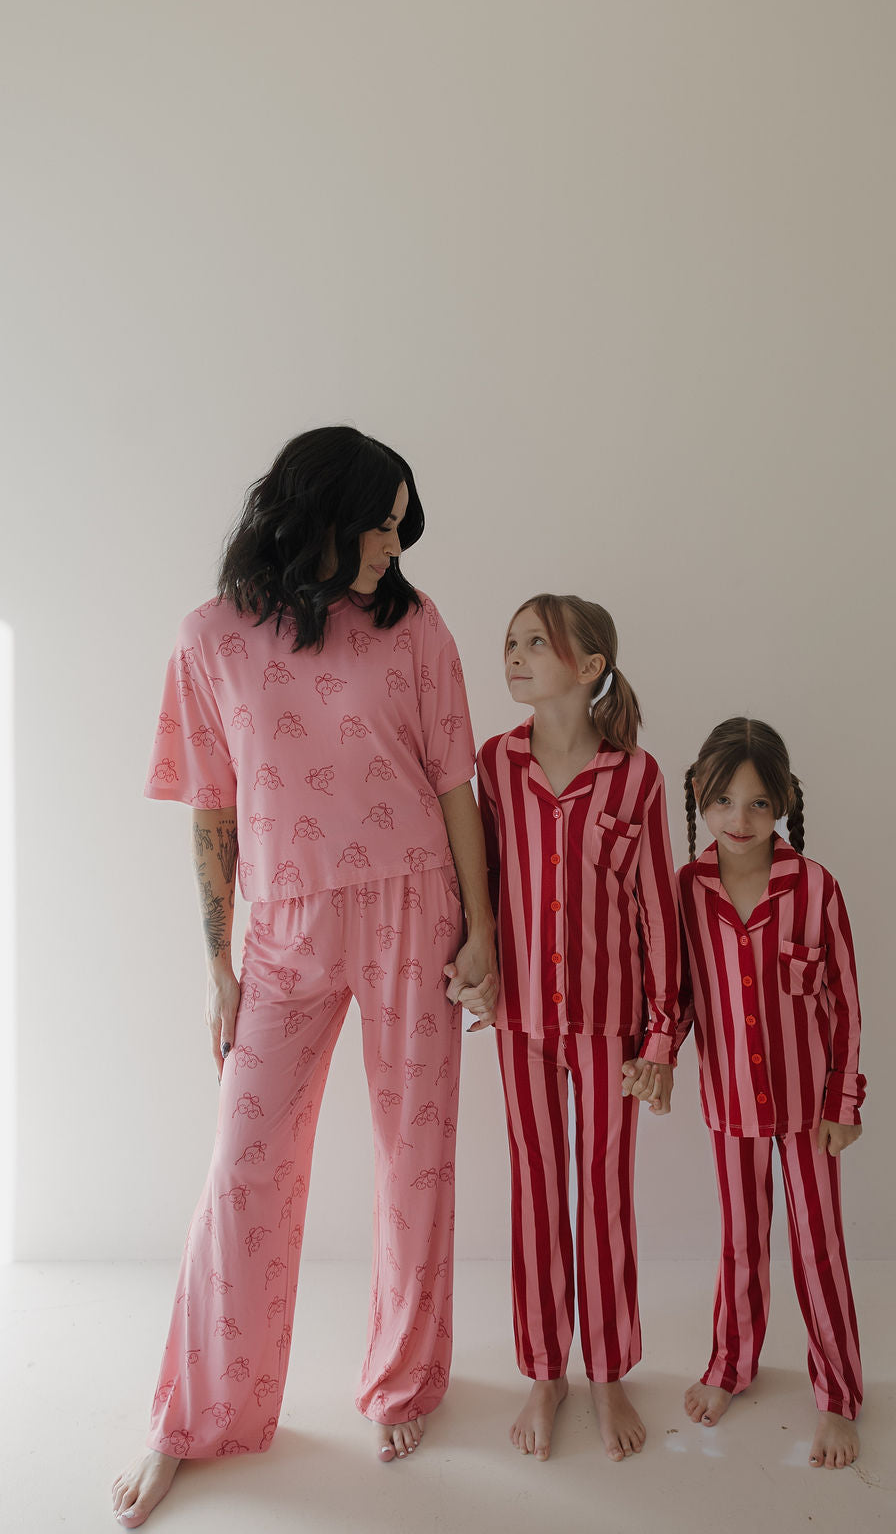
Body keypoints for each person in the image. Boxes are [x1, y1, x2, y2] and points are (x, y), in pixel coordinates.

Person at [111, 426, 497, 1527]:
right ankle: (196, 1415)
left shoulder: (413, 626)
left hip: (413, 903)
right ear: (315, 509)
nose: (392, 544)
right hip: (282, 923)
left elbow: (455, 784)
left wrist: (481, 930)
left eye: (399, 525)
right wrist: (215, 969)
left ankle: (404, 1379)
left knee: (413, 1159)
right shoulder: (210, 639)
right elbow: (213, 813)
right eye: (378, 521)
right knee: (245, 1163)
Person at [474, 594, 683, 1463]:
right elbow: (477, 883)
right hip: (520, 1020)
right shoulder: (493, 764)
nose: (515, 655)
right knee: (535, 1189)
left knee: (602, 1196)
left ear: (590, 666)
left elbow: (659, 913)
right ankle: (544, 1371)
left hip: (611, 1028)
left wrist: (662, 1040)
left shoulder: (636, 776)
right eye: (511, 643)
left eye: (536, 643)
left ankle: (606, 1372)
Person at [676, 717, 864, 1469]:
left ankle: (840, 1395)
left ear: (784, 801)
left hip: (810, 1114)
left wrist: (842, 1104)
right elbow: (678, 994)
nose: (741, 820)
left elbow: (846, 1002)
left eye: (759, 803)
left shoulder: (816, 889)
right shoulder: (686, 891)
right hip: (731, 1109)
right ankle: (731, 1366)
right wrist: (654, 1057)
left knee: (818, 1250)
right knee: (740, 1246)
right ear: (699, 796)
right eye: (724, 801)